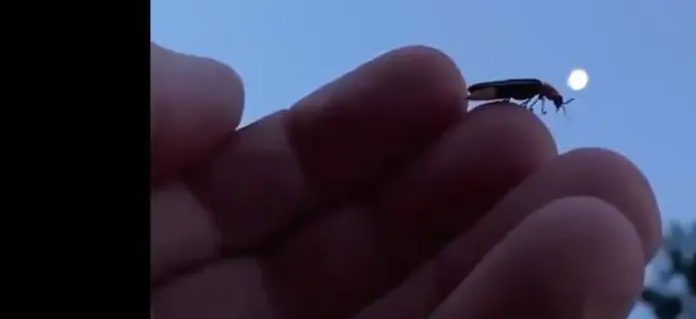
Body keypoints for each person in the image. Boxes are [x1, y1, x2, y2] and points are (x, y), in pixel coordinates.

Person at [151, 42, 662, 319]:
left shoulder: (536, 92)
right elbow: (516, 93)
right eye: (552, 99)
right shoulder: (533, 89)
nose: (551, 102)